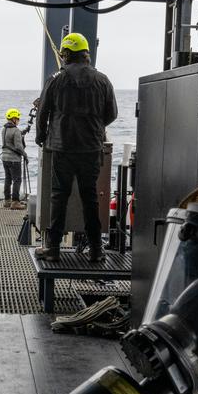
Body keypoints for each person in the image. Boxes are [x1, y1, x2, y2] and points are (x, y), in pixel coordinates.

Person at [35, 32, 118, 262]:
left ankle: (53, 249)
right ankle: (96, 250)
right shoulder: (103, 80)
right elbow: (111, 114)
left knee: (59, 197)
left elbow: (43, 113)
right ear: (86, 55)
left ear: (67, 54)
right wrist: (93, 128)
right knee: (90, 198)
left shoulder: (56, 79)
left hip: (62, 148)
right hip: (91, 149)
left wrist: (41, 137)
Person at [1, 108, 28, 209]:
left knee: (8, 179)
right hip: (14, 160)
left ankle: (7, 201)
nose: (18, 120)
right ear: (13, 118)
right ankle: (15, 202)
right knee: (17, 180)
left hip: (5, 158)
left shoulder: (4, 129)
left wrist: (22, 133)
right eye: (17, 118)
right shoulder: (16, 130)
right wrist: (25, 155)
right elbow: (18, 147)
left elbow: (9, 141)